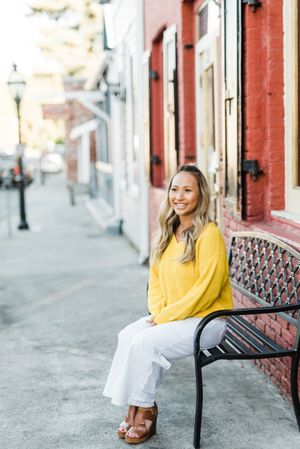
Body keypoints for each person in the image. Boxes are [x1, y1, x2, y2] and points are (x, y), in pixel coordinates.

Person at [103, 164, 233, 444]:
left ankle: (146, 409)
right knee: (127, 336)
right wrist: (159, 313)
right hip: (175, 317)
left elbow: (206, 291)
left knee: (146, 343)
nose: (180, 196)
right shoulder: (167, 231)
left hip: (208, 321)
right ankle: (133, 406)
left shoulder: (208, 234)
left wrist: (165, 317)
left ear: (200, 196)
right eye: (175, 189)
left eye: (188, 190)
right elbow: (156, 280)